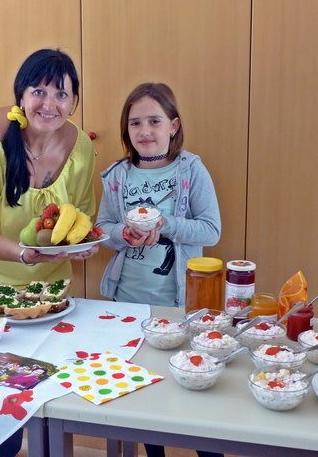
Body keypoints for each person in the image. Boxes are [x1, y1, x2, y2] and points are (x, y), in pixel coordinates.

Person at [0, 48, 98, 457]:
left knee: (39, 395)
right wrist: (27, 255)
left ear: (75, 100)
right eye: (38, 91)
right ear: (20, 97)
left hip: (45, 293)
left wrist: (77, 247)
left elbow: (76, 216)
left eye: (62, 94)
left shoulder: (80, 147)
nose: (50, 104)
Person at [96, 83, 222, 457]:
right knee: (144, 396)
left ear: (173, 125)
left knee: (194, 389)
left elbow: (211, 230)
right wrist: (125, 233)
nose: (144, 131)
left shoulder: (191, 170)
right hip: (130, 305)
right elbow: (102, 228)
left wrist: (164, 225)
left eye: (154, 121)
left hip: (181, 304)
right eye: (135, 123)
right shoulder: (117, 176)